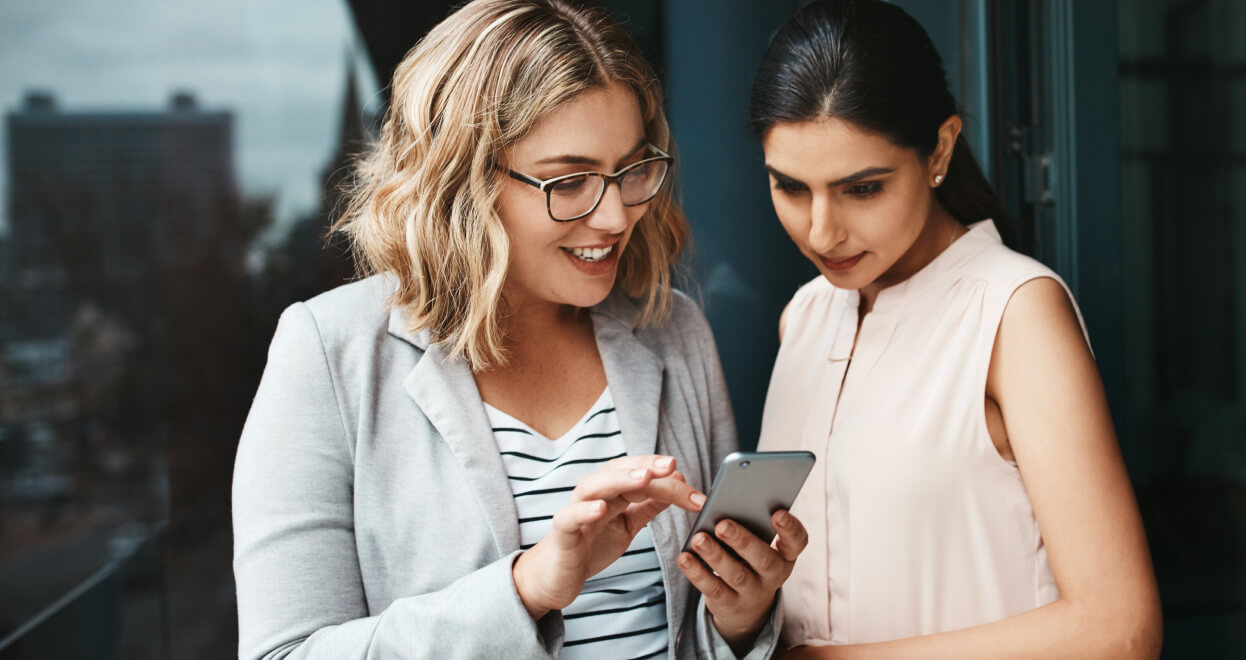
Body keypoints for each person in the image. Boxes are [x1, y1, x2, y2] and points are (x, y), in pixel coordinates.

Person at [231, 1, 805, 658]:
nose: (616, 215)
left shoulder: (671, 328)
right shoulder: (329, 354)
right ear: (463, 182)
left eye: (630, 170)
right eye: (570, 181)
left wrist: (740, 614)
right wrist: (526, 587)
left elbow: (694, 638)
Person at [749, 1, 1162, 657]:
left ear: (939, 148)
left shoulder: (1014, 313)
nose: (820, 231)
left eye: (862, 188)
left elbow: (1120, 630)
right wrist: (744, 617)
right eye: (791, 187)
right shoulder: (804, 315)